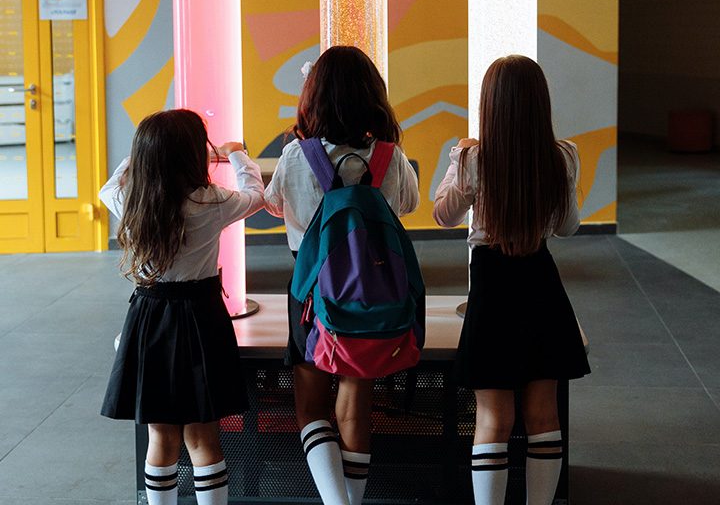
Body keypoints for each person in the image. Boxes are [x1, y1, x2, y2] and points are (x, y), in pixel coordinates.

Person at [264, 46, 421, 505]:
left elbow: (276, 203)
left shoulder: (297, 156)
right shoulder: (390, 156)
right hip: (373, 290)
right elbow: (408, 205)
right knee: (356, 402)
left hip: (312, 292)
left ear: (313, 96)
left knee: (310, 406)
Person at [432, 56, 590, 505]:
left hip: (492, 286)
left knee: (492, 417)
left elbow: (442, 216)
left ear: (490, 105)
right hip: (540, 280)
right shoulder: (562, 156)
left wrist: (455, 159)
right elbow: (566, 228)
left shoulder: (473, 157)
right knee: (543, 414)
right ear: (541, 103)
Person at [99, 109, 265, 505]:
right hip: (202, 318)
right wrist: (237, 154)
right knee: (203, 436)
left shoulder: (130, 200)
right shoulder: (213, 201)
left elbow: (110, 186)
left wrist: (136, 161)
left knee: (161, 435)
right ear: (195, 153)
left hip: (150, 318)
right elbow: (257, 195)